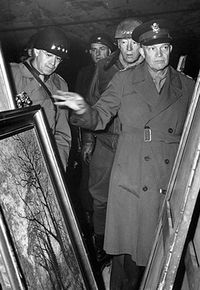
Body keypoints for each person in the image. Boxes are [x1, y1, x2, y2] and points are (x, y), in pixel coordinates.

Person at [53, 19, 195, 289]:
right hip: (132, 176)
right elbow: (99, 117)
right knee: (126, 257)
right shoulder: (124, 79)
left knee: (164, 256)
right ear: (142, 51)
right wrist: (83, 108)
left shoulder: (188, 87)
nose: (159, 54)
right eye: (152, 49)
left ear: (171, 49)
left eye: (164, 48)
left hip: (168, 182)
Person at [81, 18, 144, 265]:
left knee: (133, 196)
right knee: (99, 196)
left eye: (134, 42)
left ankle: (129, 247)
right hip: (106, 142)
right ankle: (101, 243)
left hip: (134, 145)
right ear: (117, 43)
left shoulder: (151, 65)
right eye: (123, 42)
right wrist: (88, 140)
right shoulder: (104, 67)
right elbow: (90, 103)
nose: (128, 49)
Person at [10, 27, 71, 172]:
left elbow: (62, 133)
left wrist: (58, 168)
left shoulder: (60, 85)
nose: (53, 63)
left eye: (58, 59)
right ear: (36, 51)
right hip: (12, 154)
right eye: (49, 55)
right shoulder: (11, 74)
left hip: (44, 159)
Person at [73, 32, 116, 235]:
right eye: (93, 50)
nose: (97, 54)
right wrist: (87, 139)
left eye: (102, 50)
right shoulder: (84, 73)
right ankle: (92, 229)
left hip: (112, 136)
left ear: (110, 51)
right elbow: (83, 107)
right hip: (92, 136)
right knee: (88, 181)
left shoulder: (115, 70)